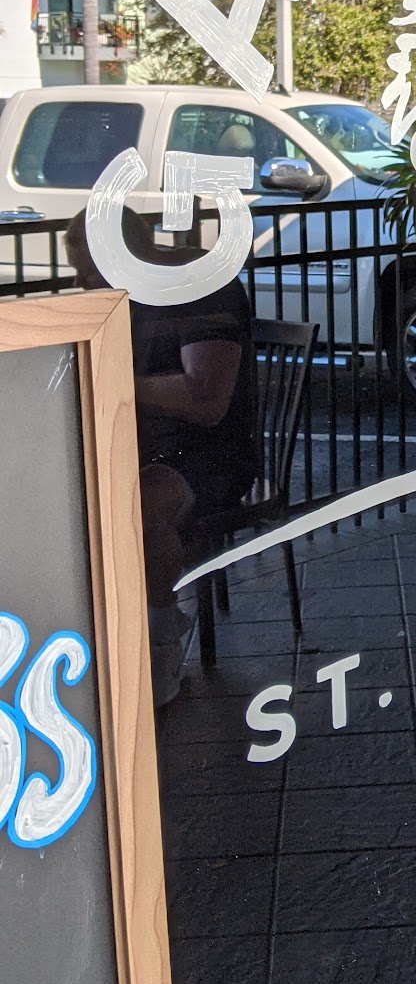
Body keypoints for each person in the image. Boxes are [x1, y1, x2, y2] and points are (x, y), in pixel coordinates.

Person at [64, 208, 258, 704]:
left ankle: (158, 637)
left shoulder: (202, 288)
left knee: (139, 507)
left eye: (88, 269)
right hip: (146, 445)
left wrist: (111, 383)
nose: (80, 282)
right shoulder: (123, 298)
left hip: (212, 452)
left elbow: (206, 400)